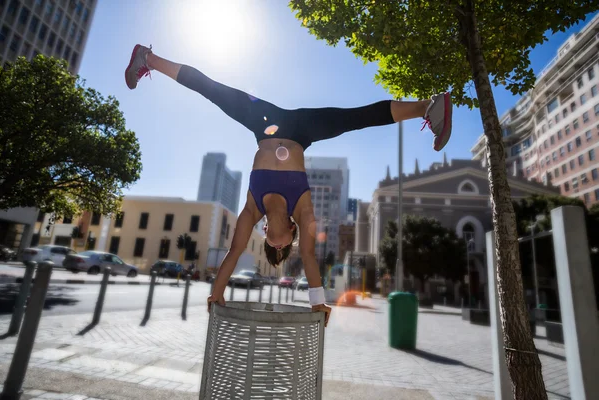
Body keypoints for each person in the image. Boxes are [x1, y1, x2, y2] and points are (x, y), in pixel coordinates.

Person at [125, 44, 453, 327]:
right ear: (288, 237)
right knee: (357, 117)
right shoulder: (303, 209)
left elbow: (234, 252)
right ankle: (429, 106)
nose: (270, 238)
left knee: (212, 89)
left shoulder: (253, 208)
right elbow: (309, 260)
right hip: (302, 130)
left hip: (263, 121)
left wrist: (216, 294)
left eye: (267, 239)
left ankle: (148, 58)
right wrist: (317, 303)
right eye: (277, 245)